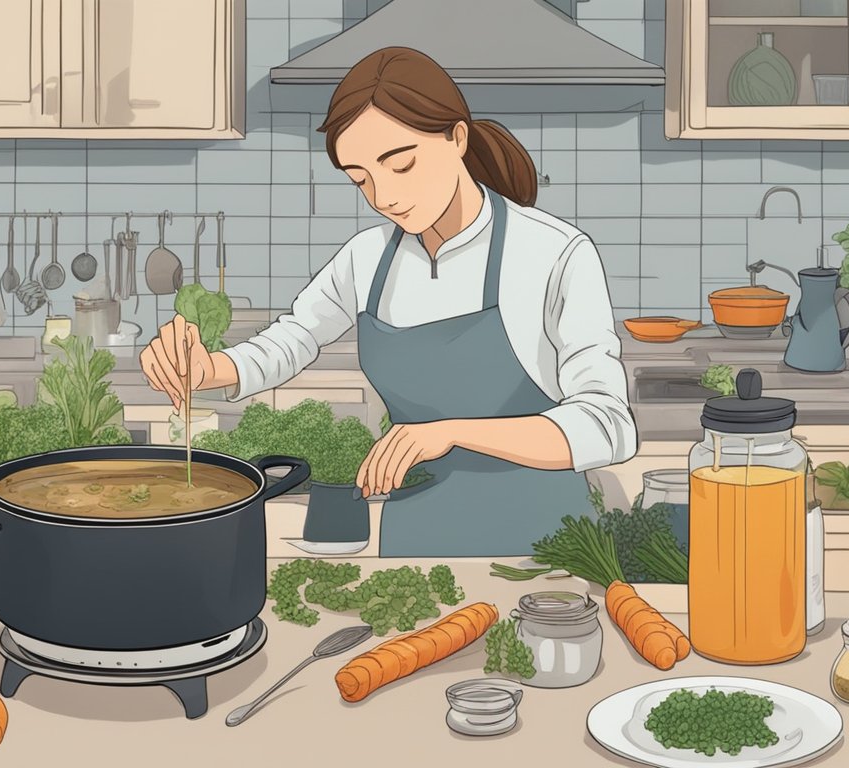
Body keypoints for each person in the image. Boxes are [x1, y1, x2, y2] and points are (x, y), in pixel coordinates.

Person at [140, 46, 637, 556]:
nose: (383, 196)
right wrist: (209, 369)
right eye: (360, 179)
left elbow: (608, 427)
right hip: (416, 541)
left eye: (400, 165)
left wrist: (451, 433)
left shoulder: (554, 252)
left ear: (456, 138)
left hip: (548, 552)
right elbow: (292, 339)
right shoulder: (368, 257)